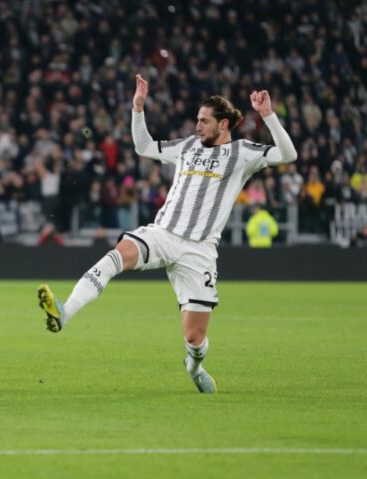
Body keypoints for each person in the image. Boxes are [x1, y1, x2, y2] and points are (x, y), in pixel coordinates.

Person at [38, 75, 297, 393]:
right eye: (197, 120)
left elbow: (288, 155)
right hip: (163, 234)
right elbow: (143, 146)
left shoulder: (242, 153)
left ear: (223, 124)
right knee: (118, 254)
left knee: (194, 338)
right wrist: (137, 108)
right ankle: (64, 312)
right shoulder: (188, 146)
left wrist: (268, 115)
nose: (197, 126)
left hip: (199, 251)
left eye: (204, 121)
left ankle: (194, 367)